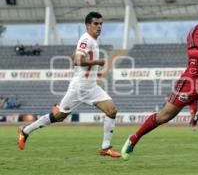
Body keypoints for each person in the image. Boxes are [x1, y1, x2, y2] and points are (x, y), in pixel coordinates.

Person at [121, 0, 198, 164]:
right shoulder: (197, 31)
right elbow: (192, 52)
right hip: (190, 83)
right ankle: (133, 138)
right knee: (163, 117)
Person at [18, 12, 121, 158]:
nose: (99, 27)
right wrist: (97, 62)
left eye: (100, 24)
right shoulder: (86, 39)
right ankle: (25, 130)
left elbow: (75, 55)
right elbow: (77, 60)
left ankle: (105, 148)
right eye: (95, 24)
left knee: (112, 111)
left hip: (91, 88)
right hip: (79, 88)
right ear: (88, 26)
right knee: (59, 116)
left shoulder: (91, 40)